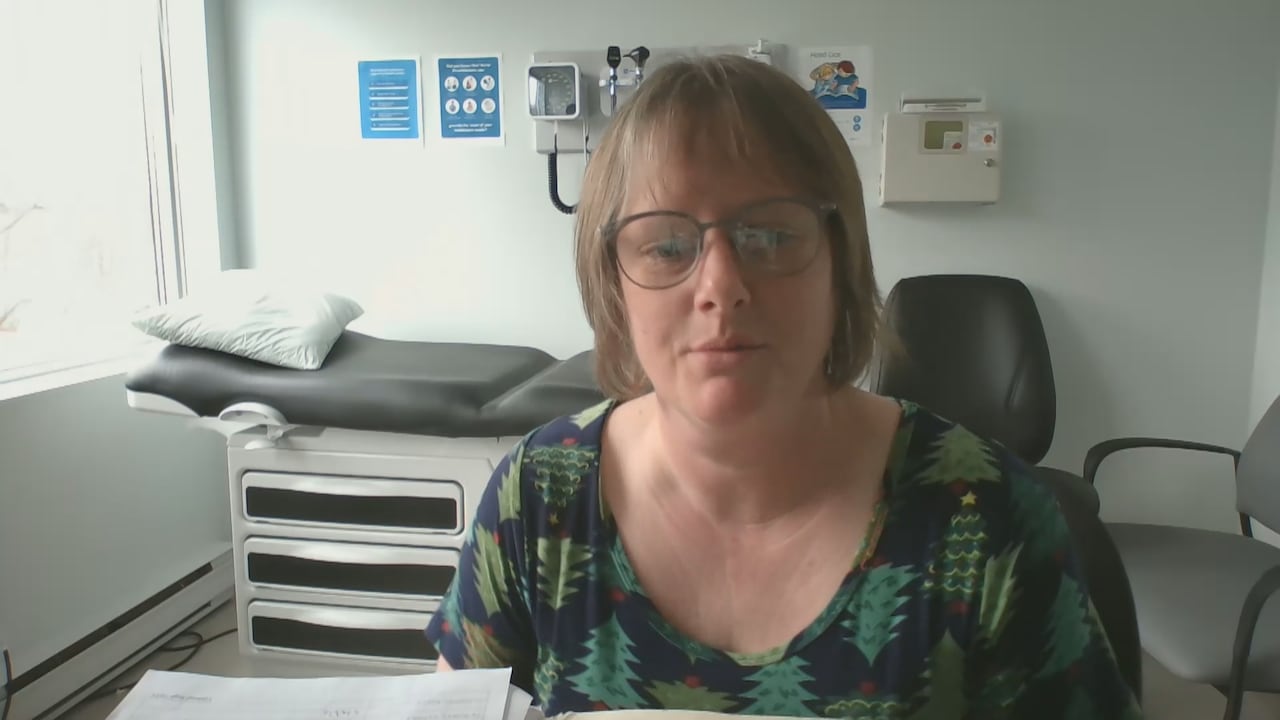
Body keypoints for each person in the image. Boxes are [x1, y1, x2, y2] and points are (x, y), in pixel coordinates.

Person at [424, 54, 1141, 719]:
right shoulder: (540, 499)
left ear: (841, 264)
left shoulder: (988, 521)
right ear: (614, 284)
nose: (722, 286)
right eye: (667, 245)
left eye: (768, 234)